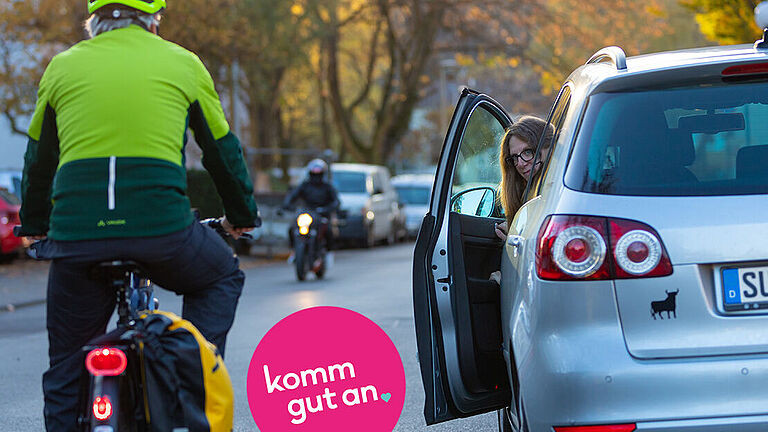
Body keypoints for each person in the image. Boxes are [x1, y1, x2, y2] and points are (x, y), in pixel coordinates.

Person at [17, 1, 260, 430]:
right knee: (222, 275)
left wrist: (35, 228)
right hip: (163, 232)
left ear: (93, 21)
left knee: (64, 370)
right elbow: (222, 153)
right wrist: (240, 216)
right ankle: (193, 372)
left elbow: (39, 161)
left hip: (77, 236)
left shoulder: (62, 67)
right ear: (153, 20)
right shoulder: (183, 63)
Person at [490, 115, 554, 284]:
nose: (520, 163)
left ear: (550, 147)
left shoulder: (553, 192)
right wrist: (514, 233)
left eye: (528, 152)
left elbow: (542, 259)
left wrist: (506, 281)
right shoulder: (529, 192)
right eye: (514, 157)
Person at [282, 159, 341, 260]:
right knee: (292, 228)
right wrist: (286, 205)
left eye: (318, 174)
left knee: (328, 231)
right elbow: (293, 195)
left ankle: (328, 253)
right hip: (308, 212)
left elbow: (336, 201)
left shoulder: (328, 186)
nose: (316, 177)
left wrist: (328, 209)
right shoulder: (305, 185)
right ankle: (295, 250)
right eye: (314, 174)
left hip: (322, 213)